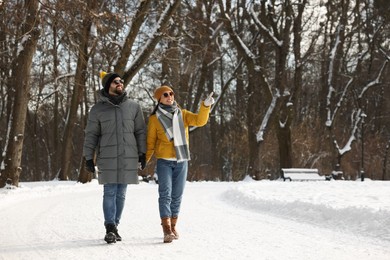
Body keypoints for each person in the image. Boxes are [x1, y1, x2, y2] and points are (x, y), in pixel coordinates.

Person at [83, 71, 146, 244]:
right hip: (107, 156)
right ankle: (110, 226)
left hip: (128, 156)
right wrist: (89, 157)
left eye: (121, 81)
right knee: (110, 191)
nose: (120, 83)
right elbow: (91, 135)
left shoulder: (134, 107)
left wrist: (142, 153)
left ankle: (115, 226)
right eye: (116, 81)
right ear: (108, 85)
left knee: (121, 194)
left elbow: (140, 131)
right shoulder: (97, 110)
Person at [145, 85, 214, 243]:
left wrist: (205, 106)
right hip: (164, 162)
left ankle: (174, 224)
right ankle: (166, 229)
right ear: (159, 99)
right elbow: (150, 143)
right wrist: (143, 160)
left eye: (171, 93)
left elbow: (200, 121)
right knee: (165, 195)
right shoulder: (155, 119)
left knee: (177, 195)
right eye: (165, 95)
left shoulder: (182, 114)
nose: (169, 96)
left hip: (182, 161)